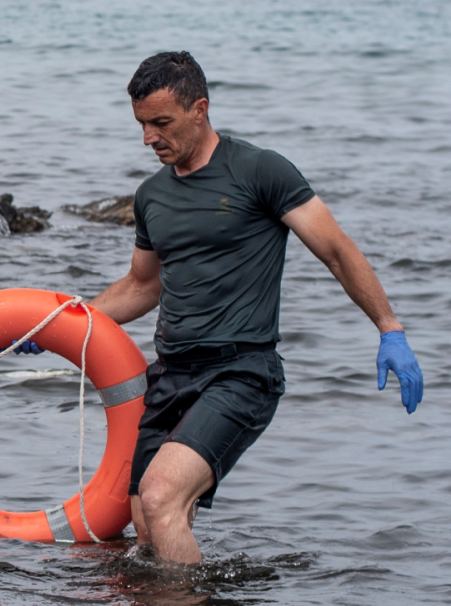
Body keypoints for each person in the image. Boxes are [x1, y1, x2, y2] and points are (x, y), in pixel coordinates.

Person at [66, 51, 421, 565]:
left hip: (241, 371)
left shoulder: (259, 171)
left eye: (161, 123)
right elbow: (143, 286)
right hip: (170, 376)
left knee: (164, 495)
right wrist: (66, 322)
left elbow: (337, 251)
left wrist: (390, 329)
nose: (149, 138)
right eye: (141, 125)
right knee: (146, 522)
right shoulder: (151, 196)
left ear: (200, 109)